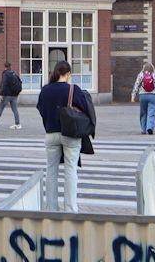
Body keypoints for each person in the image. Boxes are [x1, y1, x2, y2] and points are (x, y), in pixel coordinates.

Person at [36, 60, 94, 214]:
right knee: (70, 170)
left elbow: (41, 109)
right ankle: (70, 209)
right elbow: (84, 108)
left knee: (51, 171)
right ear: (67, 74)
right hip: (70, 134)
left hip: (50, 134)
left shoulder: (45, 90)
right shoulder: (73, 90)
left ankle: (51, 209)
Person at [0, 61, 24, 129]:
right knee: (15, 110)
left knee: (1, 108)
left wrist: (1, 93)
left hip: (7, 95)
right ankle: (18, 124)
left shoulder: (5, 74)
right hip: (14, 95)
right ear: (10, 66)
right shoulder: (14, 73)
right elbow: (19, 82)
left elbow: (4, 84)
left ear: (5, 67)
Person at [131, 62, 155, 135]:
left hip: (143, 95)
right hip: (153, 95)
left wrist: (133, 96)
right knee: (151, 113)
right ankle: (149, 127)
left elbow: (136, 85)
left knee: (143, 113)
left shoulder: (141, 74)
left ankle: (143, 129)